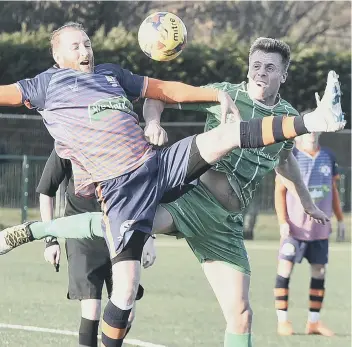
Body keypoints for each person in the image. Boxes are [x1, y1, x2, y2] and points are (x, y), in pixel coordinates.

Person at [0, 25, 344, 347]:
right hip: (131, 191)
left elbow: (160, 89)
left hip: (162, 170)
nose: (84, 49)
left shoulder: (111, 74)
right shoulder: (45, 85)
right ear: (58, 58)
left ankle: (315, 119)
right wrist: (168, 114)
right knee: (125, 292)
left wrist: (209, 95)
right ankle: (34, 230)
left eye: (87, 43)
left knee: (241, 312)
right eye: (75, 46)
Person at [37, 149, 156, 347]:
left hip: (118, 230)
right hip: (81, 234)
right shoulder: (67, 140)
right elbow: (46, 191)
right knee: (91, 308)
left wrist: (149, 237)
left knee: (126, 312)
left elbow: (144, 189)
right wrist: (50, 239)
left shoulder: (120, 138)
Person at [274, 131, 345, 337]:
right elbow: (279, 190)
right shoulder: (290, 155)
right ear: (298, 136)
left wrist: (340, 219)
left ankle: (313, 323)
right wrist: (282, 222)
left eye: (315, 129)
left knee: (319, 272)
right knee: (285, 270)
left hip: (319, 229)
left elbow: (332, 189)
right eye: (307, 130)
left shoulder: (328, 156)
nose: (311, 133)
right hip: (294, 229)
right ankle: (283, 321)